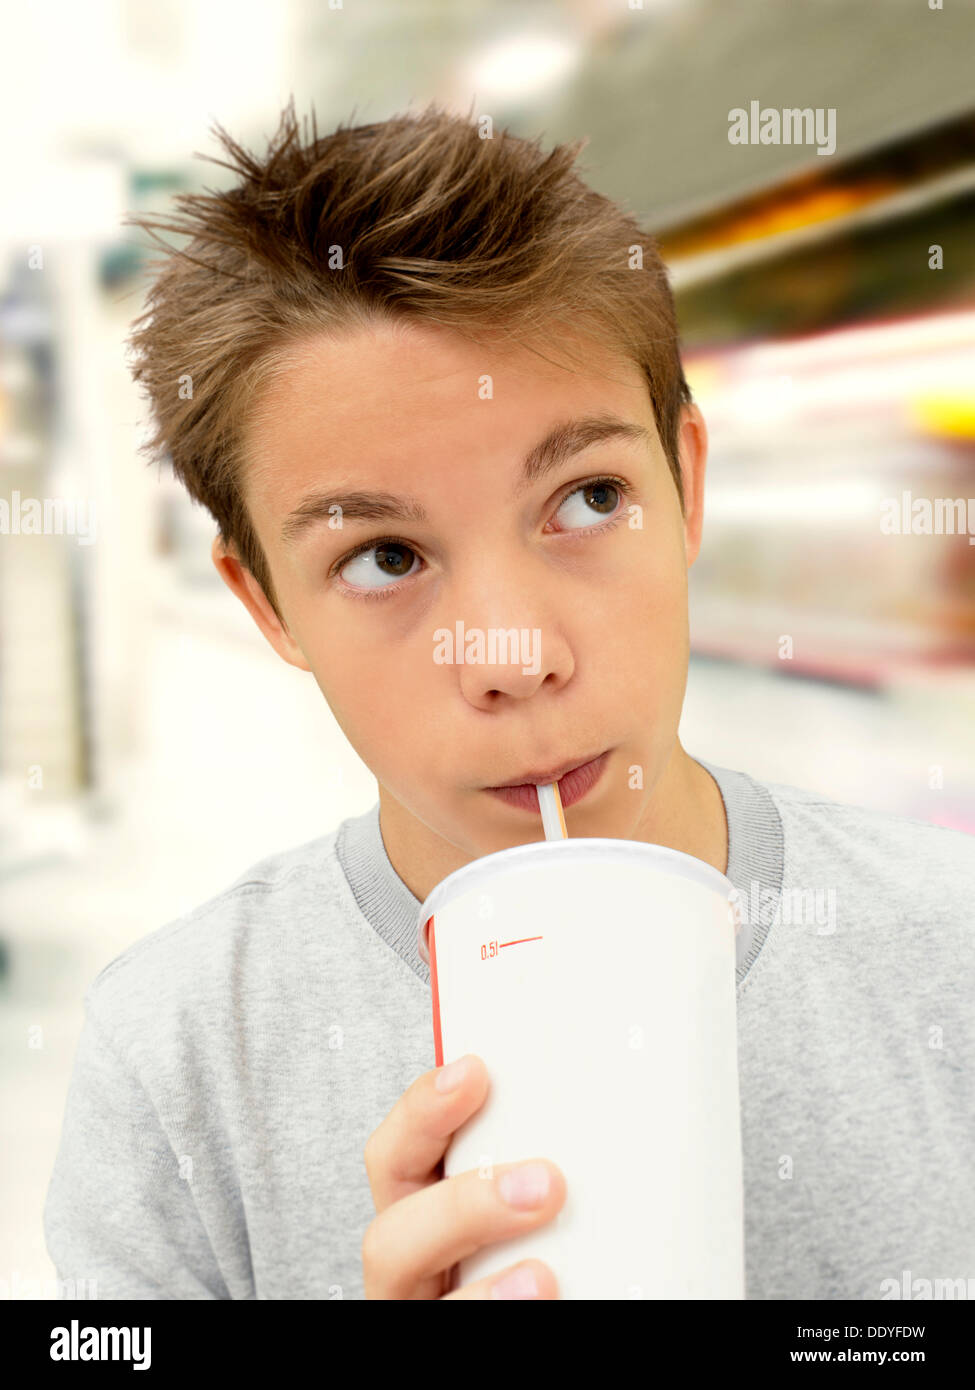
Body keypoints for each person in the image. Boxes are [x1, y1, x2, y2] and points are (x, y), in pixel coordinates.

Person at [44, 99, 975, 1300]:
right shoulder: (178, 1061)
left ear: (686, 488)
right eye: (384, 557)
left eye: (588, 499)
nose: (515, 653)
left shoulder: (950, 947)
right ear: (267, 604)